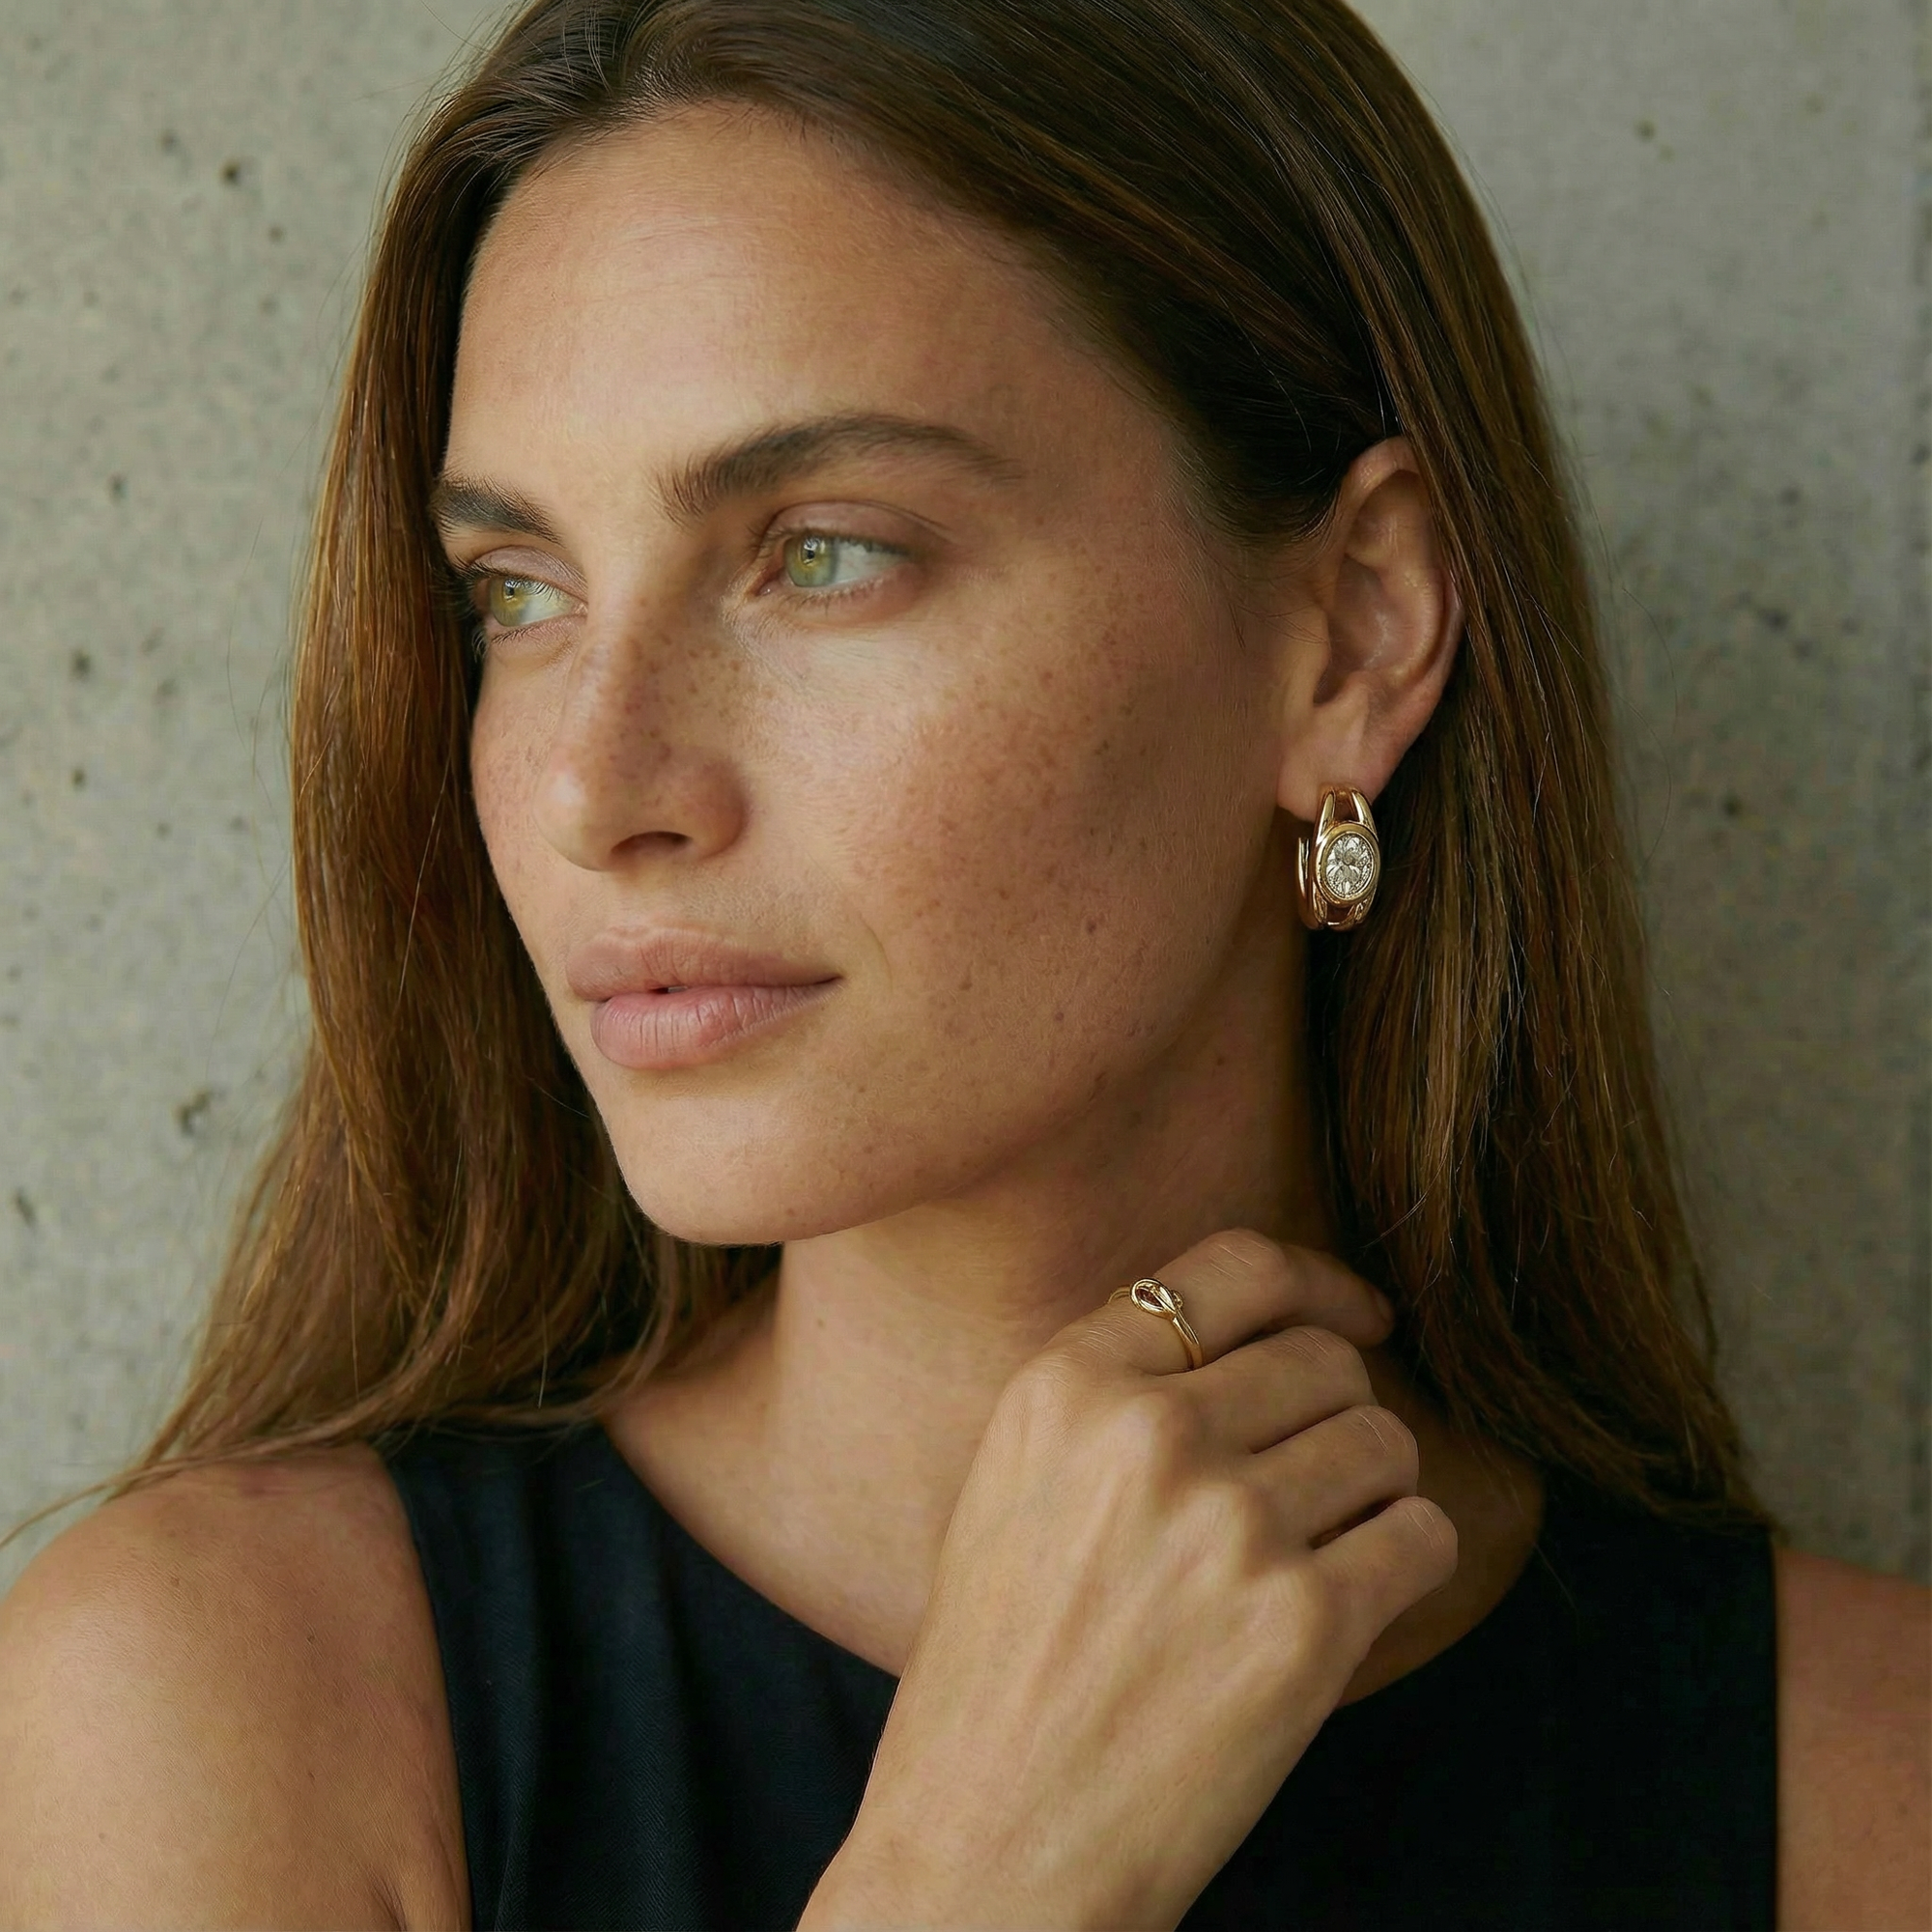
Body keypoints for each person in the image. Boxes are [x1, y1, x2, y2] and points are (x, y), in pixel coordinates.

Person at [0, 0, 1925, 1925]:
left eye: (821, 553)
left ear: (1350, 639)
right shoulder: (225, 1709)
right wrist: (970, 1881)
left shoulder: (1863, 1787)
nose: (595, 785)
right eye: (519, 590)